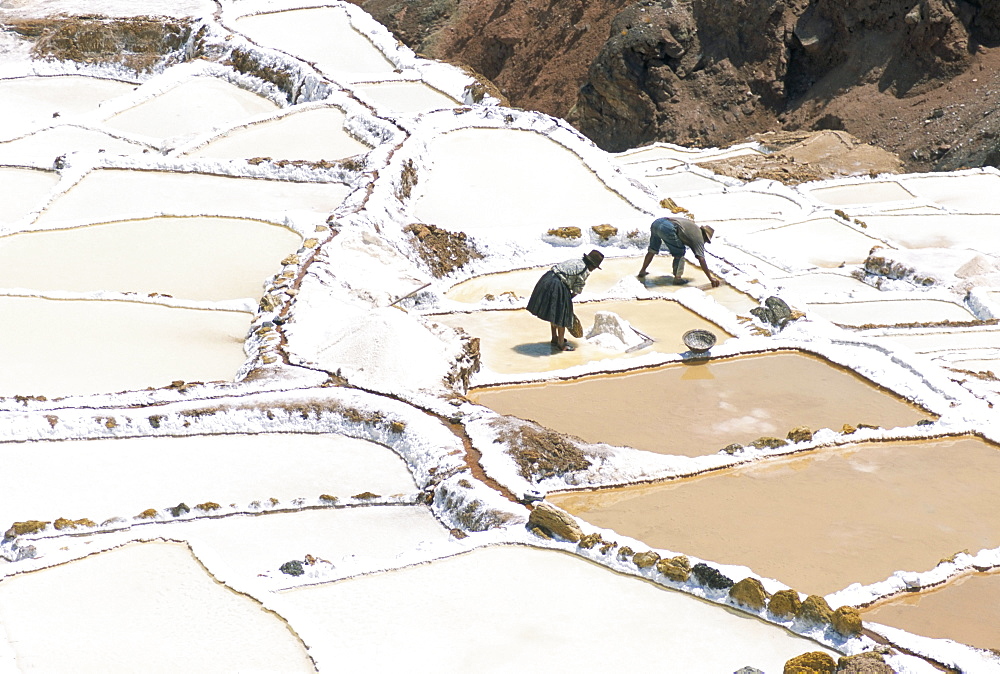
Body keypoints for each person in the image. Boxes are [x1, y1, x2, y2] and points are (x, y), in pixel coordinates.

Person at [526, 249, 604, 351]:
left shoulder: (576, 261)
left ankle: (555, 337)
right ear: (592, 266)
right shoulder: (585, 270)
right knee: (562, 315)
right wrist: (566, 300)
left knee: (554, 312)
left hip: (547, 278)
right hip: (557, 284)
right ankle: (561, 344)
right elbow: (577, 289)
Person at [637, 215, 720, 287]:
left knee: (652, 249)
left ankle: (642, 271)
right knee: (680, 252)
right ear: (705, 236)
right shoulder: (699, 237)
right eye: (706, 240)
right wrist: (710, 278)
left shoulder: (693, 228)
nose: (704, 242)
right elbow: (701, 259)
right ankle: (678, 279)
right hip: (667, 227)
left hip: (656, 223)